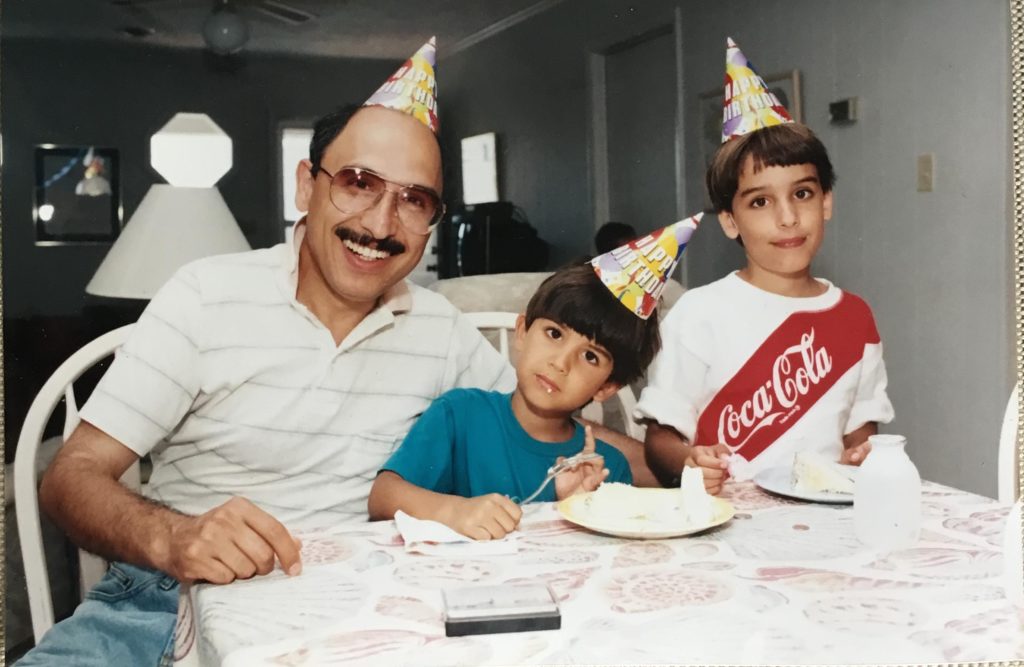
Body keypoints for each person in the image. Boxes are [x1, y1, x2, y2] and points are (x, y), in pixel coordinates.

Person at [20, 38, 515, 666]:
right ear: (307, 186)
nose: (382, 225)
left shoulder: (441, 327)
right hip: (167, 600)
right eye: (359, 183)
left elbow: (545, 428)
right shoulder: (205, 295)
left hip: (368, 603)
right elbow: (70, 476)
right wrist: (174, 537)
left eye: (414, 200)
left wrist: (668, 458)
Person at [636, 38, 893, 494]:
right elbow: (662, 437)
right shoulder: (700, 313)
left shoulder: (856, 317)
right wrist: (690, 462)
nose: (788, 217)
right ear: (731, 222)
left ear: (827, 201)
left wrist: (862, 456)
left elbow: (858, 431)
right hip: (727, 516)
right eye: (760, 201)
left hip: (822, 516)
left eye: (803, 193)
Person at [368, 263, 662, 539]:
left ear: (606, 387)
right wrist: (453, 511)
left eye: (590, 357)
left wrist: (574, 510)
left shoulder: (609, 467)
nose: (560, 363)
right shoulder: (459, 414)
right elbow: (383, 496)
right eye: (554, 333)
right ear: (522, 332)